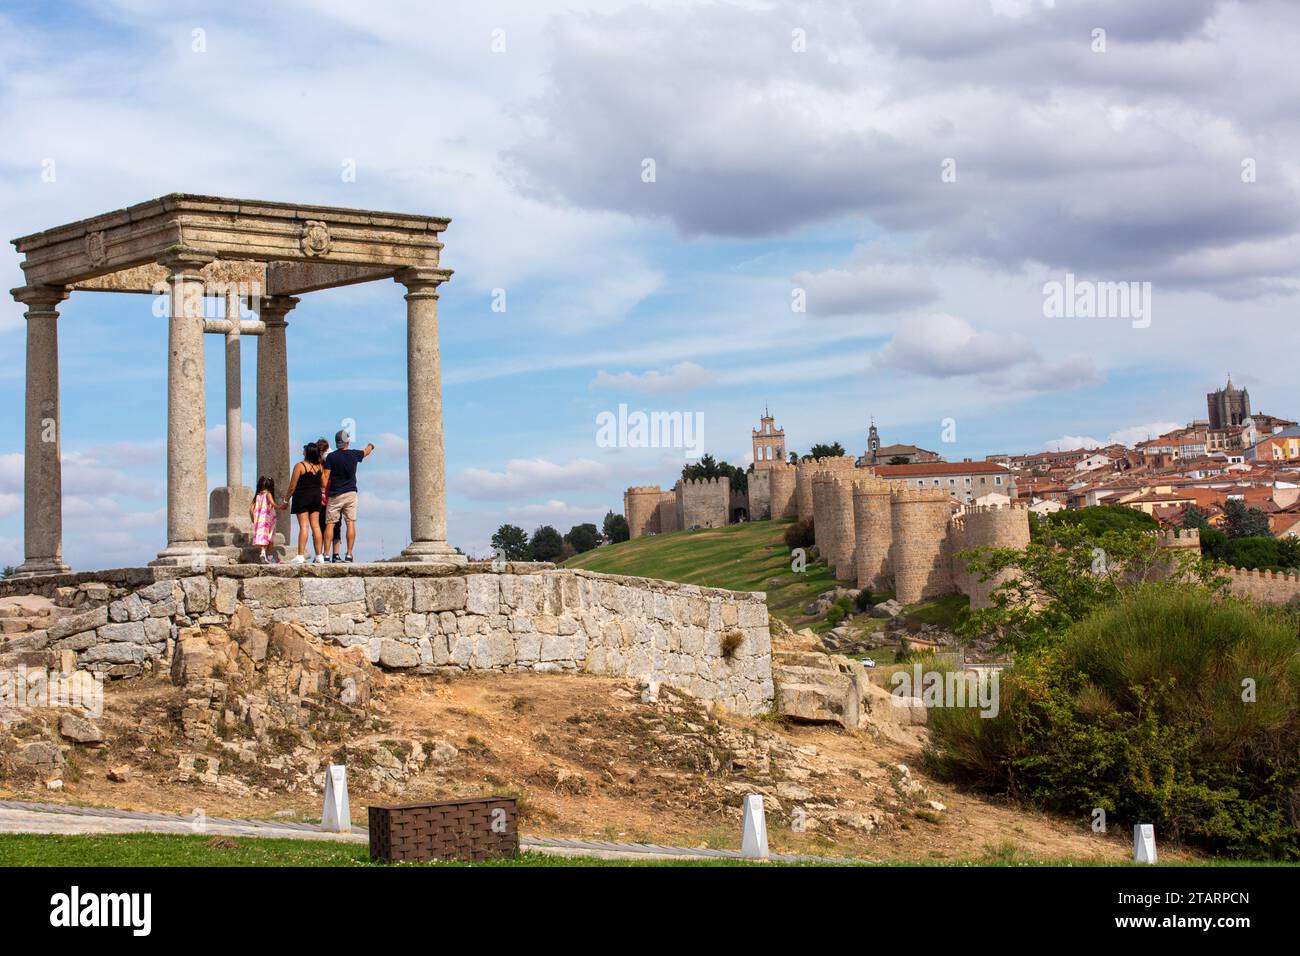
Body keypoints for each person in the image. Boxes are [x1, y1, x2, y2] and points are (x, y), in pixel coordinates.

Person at [322, 429, 374, 562]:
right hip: (351, 492)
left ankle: (326, 554)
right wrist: (370, 446)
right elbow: (366, 451)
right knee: (350, 523)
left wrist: (322, 487)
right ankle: (349, 554)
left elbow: (325, 479)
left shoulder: (331, 457)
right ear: (347, 441)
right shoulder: (354, 454)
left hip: (335, 494)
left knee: (330, 524)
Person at [281, 443, 325, 564]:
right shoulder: (320, 467)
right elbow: (323, 484)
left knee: (304, 526)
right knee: (316, 526)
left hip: (302, 497)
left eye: (304, 450)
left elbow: (292, 485)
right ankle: (319, 555)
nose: (303, 451)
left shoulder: (300, 466)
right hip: (316, 497)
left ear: (308, 452)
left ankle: (300, 556)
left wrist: (286, 500)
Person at [316, 437, 342, 562]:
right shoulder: (317, 465)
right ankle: (322, 555)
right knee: (321, 528)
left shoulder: (332, 461)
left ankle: (333, 554)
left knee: (335, 528)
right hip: (326, 499)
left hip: (332, 497)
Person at [249, 476, 279, 563]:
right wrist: (281, 506)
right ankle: (269, 557)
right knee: (270, 538)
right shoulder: (268, 494)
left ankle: (262, 553)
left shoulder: (258, 496)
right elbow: (273, 504)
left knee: (263, 537)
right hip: (269, 520)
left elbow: (251, 509)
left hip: (260, 521)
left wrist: (254, 519)